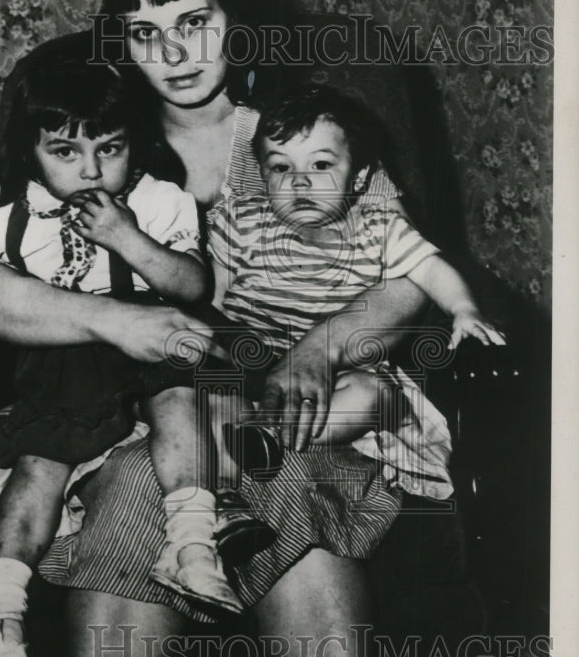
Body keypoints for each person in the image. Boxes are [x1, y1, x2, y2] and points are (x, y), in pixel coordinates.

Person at [0, 0, 480, 657]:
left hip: (293, 392)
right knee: (147, 472)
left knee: (263, 462)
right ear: (120, 45)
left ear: (236, 20)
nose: (175, 54)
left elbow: (406, 278)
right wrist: (113, 321)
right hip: (139, 400)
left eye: (193, 22)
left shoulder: (297, 133)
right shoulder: (99, 142)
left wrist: (319, 347)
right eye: (145, 34)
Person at [0, 44, 274, 657]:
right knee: (39, 465)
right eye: (65, 152)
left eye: (111, 148)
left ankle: (192, 545)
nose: (92, 169)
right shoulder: (3, 206)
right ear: (30, 150)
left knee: (182, 403)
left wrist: (128, 238)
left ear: (136, 141)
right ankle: (3, 616)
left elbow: (190, 285)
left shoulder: (157, 199)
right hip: (64, 358)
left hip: (153, 339)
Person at [211, 83, 505, 477]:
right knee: (205, 390)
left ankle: (277, 432)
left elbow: (431, 269)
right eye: (281, 167)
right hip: (254, 364)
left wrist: (464, 310)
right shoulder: (240, 221)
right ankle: (258, 429)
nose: (300, 182)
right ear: (261, 175)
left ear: (359, 177)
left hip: (342, 375)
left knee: (370, 395)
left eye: (320, 166)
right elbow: (214, 301)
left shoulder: (379, 229)